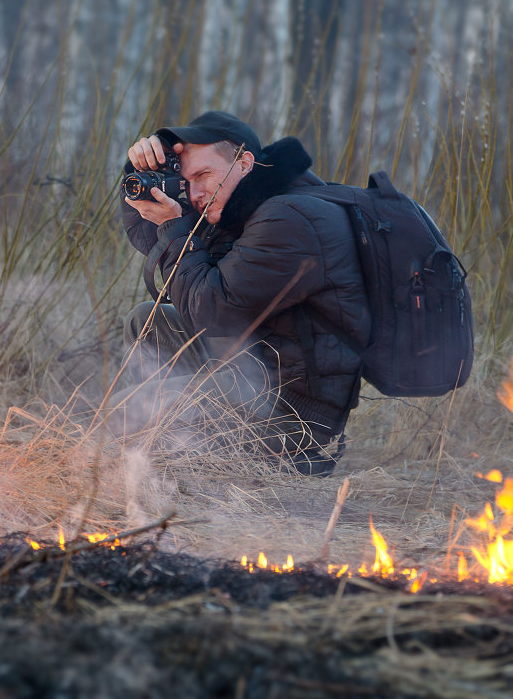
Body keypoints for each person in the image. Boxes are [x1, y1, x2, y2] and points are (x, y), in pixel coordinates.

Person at [117, 111, 370, 475]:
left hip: (289, 414)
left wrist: (175, 227)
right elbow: (156, 243)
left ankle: (278, 462)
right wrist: (139, 173)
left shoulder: (288, 219)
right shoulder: (243, 205)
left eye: (203, 175)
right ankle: (168, 452)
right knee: (148, 319)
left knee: (122, 413)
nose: (194, 192)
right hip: (251, 370)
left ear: (244, 162)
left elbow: (214, 312)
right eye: (186, 181)